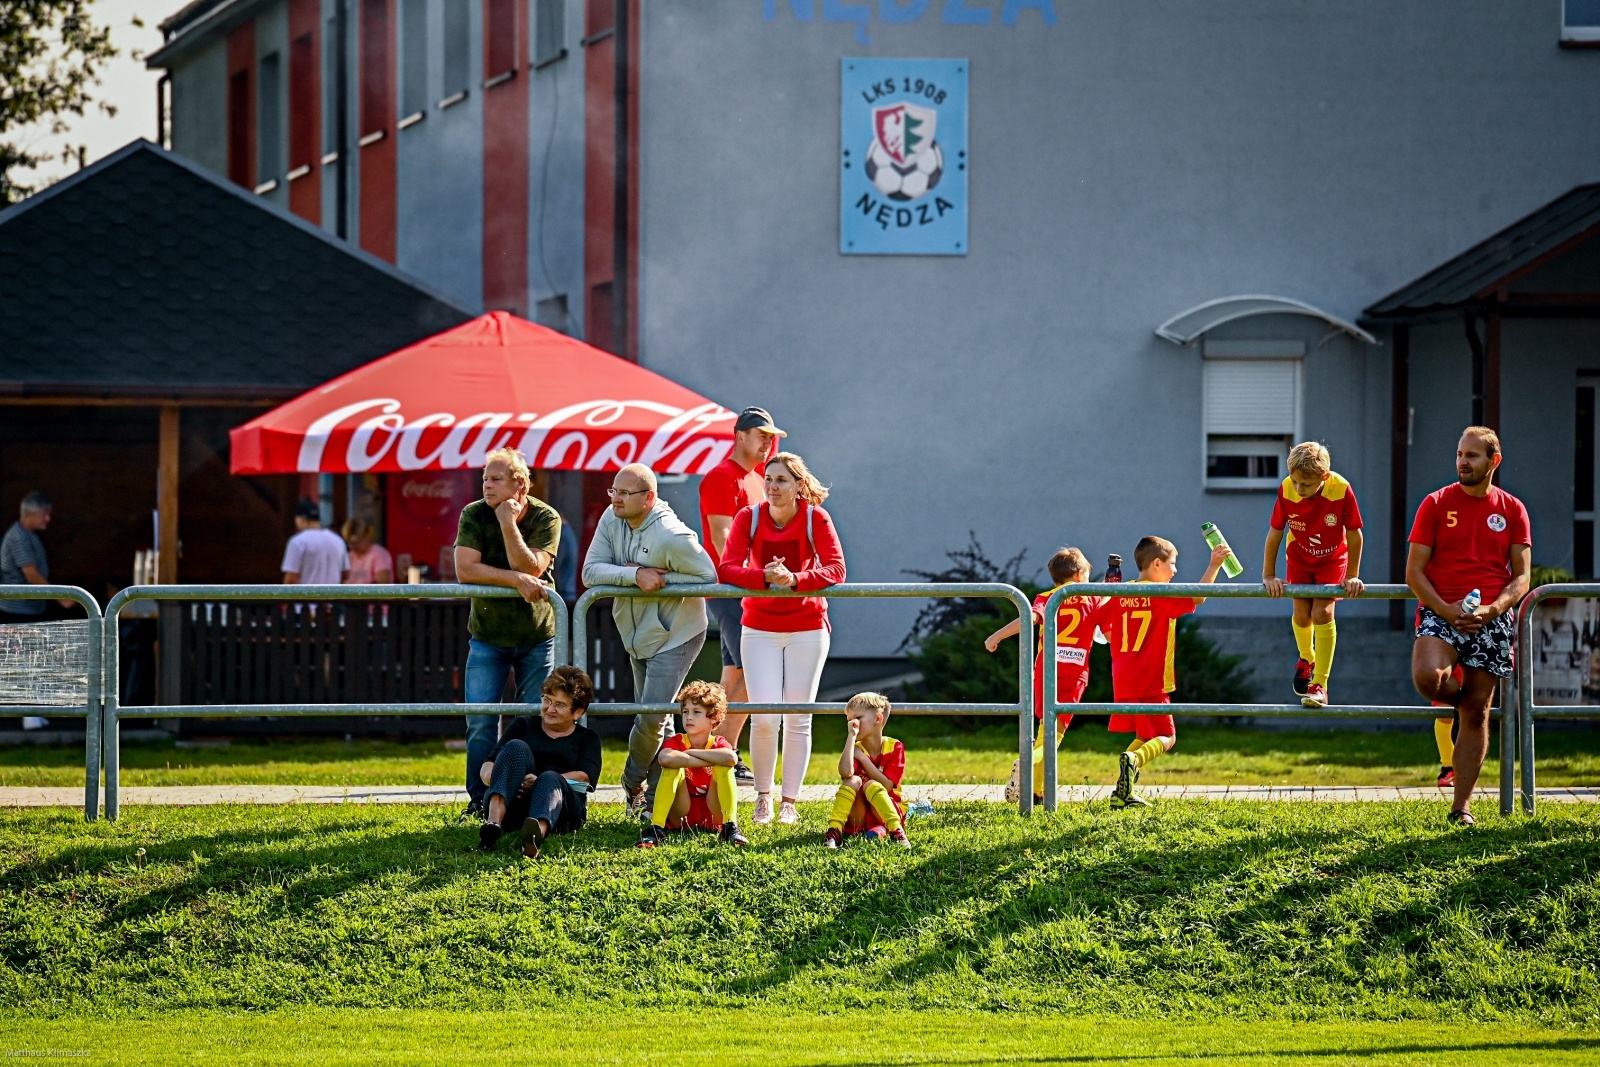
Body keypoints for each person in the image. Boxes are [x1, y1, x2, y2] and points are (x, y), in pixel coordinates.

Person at [1407, 426, 1531, 826]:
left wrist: (1493, 610)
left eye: (1472, 455)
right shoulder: (1436, 503)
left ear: (1494, 461)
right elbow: (1414, 573)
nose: (1463, 461)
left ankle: (1461, 807)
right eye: (1460, 454)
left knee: (1477, 714)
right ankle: (1462, 701)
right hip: (1441, 611)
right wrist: (1445, 609)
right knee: (1428, 679)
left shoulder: (1513, 509)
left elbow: (1522, 578)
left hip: (1491, 618)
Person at [718, 452, 846, 827]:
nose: (772, 487)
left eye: (781, 480)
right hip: (758, 628)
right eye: (768, 479)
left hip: (807, 626)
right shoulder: (749, 517)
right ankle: (763, 798)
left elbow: (836, 568)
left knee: (797, 716)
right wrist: (765, 577)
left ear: (798, 486)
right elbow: (727, 567)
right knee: (764, 718)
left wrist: (795, 580)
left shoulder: (814, 516)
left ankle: (789, 802)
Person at [581, 463, 717, 818]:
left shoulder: (673, 535)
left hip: (678, 632)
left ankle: (632, 780)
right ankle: (655, 800)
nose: (616, 499)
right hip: (636, 631)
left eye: (625, 493)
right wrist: (635, 574)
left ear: (650, 497)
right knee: (660, 719)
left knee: (652, 715)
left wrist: (668, 580)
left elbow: (708, 575)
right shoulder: (611, 520)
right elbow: (590, 571)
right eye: (613, 491)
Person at [454, 447, 562, 815]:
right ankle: (477, 799)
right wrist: (514, 579)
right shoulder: (472, 513)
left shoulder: (546, 516)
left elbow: (531, 567)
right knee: (481, 722)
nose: (486, 485)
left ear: (520, 484)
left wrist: (507, 523)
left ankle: (522, 794)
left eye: (495, 479)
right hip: (487, 636)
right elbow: (465, 569)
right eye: (485, 478)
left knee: (532, 719)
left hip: (535, 636)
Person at [1089, 536, 1232, 809]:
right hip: (1152, 678)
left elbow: (1101, 623)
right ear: (1156, 564)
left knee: (1145, 735)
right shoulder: (1161, 594)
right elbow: (1199, 596)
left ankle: (1122, 792)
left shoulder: (1124, 592)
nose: (1175, 570)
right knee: (1167, 737)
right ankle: (1133, 761)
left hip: (1123, 677)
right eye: (1172, 564)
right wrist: (1214, 564)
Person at [699, 406, 786, 782]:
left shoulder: (755, 478)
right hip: (734, 589)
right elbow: (721, 540)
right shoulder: (722, 476)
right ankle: (725, 753)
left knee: (735, 672)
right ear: (740, 435)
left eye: (771, 437)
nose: (769, 442)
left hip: (748, 588)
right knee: (753, 668)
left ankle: (712, 752)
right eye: (762, 435)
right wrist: (751, 583)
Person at [984, 547, 1106, 805]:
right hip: (1075, 672)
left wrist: (997, 636)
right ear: (1079, 573)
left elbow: (1029, 618)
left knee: (1044, 729)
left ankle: (1037, 791)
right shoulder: (1092, 598)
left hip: (1046, 670)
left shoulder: (1047, 597)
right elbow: (1108, 633)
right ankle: (1029, 762)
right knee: (1054, 735)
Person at [1261, 442, 1365, 709]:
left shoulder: (1340, 489)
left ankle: (1320, 684)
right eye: (1295, 481)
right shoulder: (1287, 488)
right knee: (1300, 613)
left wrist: (1352, 575)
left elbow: (1354, 534)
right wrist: (1269, 575)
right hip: (1299, 556)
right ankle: (1307, 658)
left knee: (1322, 613)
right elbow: (1275, 532)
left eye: (1305, 484)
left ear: (1324, 477)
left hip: (1332, 560)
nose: (1299, 489)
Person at [476, 666, 602, 858]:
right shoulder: (523, 725)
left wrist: (538, 782)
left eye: (559, 705)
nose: (550, 709)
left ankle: (534, 836)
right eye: (547, 700)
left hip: (561, 811)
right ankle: (493, 825)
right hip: (514, 805)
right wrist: (508, 779)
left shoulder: (587, 738)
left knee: (549, 778)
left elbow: (585, 778)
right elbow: (489, 765)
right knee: (516, 746)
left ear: (578, 712)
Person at [637, 680, 750, 848]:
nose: (689, 717)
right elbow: (666, 758)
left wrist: (689, 754)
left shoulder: (718, 742)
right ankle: (656, 829)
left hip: (714, 814)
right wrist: (707, 758)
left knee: (723, 766)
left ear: (714, 718)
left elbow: (731, 758)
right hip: (681, 813)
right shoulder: (677, 741)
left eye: (697, 712)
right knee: (672, 767)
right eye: (685, 712)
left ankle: (730, 827)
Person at [1, 491, 75, 730]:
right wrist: (61, 597)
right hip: (17, 610)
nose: (48, 520)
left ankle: (32, 711)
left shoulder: (29, 536)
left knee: (33, 660)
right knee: (24, 661)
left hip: (29, 609)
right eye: (45, 514)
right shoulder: (19, 538)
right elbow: (31, 575)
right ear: (31, 514)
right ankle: (27, 715)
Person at [824, 692, 909, 849]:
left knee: (871, 784)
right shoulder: (855, 748)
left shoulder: (895, 747)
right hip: (860, 817)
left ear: (878, 719)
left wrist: (863, 759)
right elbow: (846, 773)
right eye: (849, 720)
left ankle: (896, 830)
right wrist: (850, 738)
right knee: (853, 780)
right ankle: (834, 831)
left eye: (857, 718)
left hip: (886, 811)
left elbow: (888, 785)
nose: (852, 724)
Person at [282, 499, 349, 585]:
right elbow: (345, 573)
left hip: (307, 596)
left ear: (301, 519)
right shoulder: (338, 541)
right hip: (333, 596)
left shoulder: (297, 542)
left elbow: (291, 579)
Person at [340, 517, 393, 583]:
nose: (353, 547)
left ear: (367, 537)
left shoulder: (379, 554)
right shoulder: (350, 556)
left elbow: (383, 583)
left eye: (357, 543)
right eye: (349, 543)